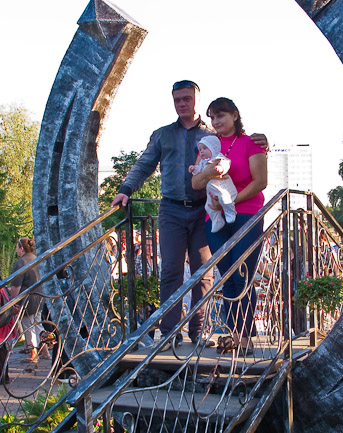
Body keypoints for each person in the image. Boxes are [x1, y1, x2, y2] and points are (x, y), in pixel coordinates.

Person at [111, 81, 267, 350]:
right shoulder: (163, 135)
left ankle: (198, 331)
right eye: (177, 99)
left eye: (187, 98)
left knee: (204, 273)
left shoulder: (213, 134)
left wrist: (263, 142)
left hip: (203, 210)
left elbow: (242, 151)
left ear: (196, 100)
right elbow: (144, 164)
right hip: (171, 209)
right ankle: (169, 333)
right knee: (171, 270)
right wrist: (126, 189)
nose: (182, 104)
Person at [191, 97, 267, 354]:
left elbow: (260, 182)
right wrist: (209, 173)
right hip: (216, 217)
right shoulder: (208, 146)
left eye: (221, 115)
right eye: (212, 117)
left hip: (247, 214)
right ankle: (233, 332)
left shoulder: (251, 143)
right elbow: (196, 183)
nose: (216, 121)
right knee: (227, 276)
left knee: (242, 274)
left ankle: (244, 337)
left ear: (235, 115)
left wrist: (231, 201)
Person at [9, 238, 49, 363]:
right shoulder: (37, 259)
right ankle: (46, 352)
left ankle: (33, 354)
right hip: (40, 296)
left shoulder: (21, 263)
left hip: (27, 299)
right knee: (38, 324)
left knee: (28, 326)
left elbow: (16, 286)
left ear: (21, 248)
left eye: (17, 247)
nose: (16, 250)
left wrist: (12, 302)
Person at [189, 136, 237, 233]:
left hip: (222, 186)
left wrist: (220, 169)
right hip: (212, 191)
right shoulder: (203, 162)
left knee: (224, 198)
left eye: (205, 148)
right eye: (200, 149)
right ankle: (217, 221)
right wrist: (194, 169)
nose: (202, 151)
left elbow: (226, 164)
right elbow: (199, 170)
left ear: (213, 148)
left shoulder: (219, 158)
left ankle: (230, 212)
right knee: (208, 207)